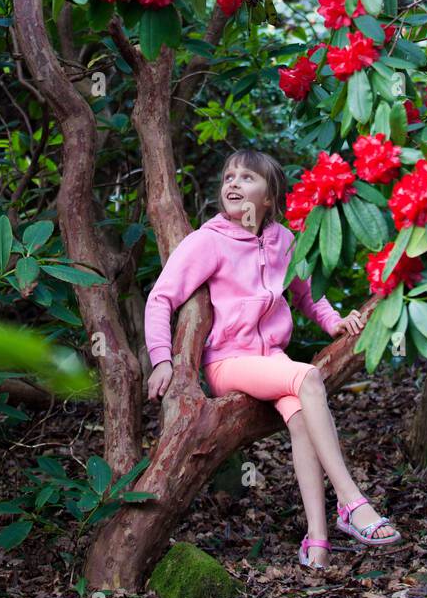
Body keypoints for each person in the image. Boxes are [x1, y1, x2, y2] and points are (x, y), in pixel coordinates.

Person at [144, 147, 400, 570]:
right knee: (310, 379)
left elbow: (306, 293)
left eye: (246, 177)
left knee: (301, 421)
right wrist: (161, 359)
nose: (233, 183)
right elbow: (160, 297)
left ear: (269, 196)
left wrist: (334, 321)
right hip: (229, 362)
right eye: (228, 177)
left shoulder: (283, 239)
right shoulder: (208, 240)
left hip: (273, 361)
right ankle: (351, 502)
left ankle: (317, 542)